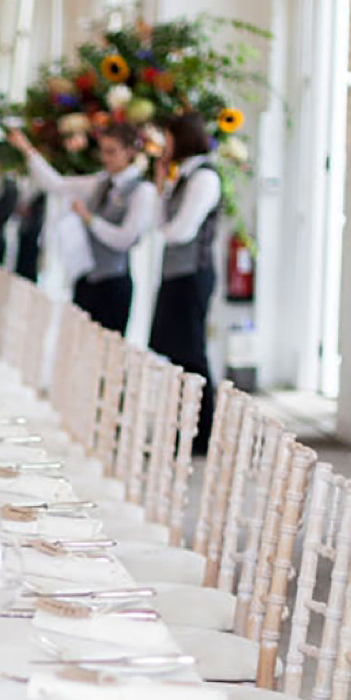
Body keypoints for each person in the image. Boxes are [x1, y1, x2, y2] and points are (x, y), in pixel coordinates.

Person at [6, 122, 154, 335]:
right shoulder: (99, 182)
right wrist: (26, 150)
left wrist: (89, 220)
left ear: (130, 151)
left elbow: (126, 239)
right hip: (86, 278)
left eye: (111, 152)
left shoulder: (142, 191)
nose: (105, 159)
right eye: (102, 151)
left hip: (114, 282)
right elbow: (56, 184)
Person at [148, 112, 223, 454]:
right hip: (175, 274)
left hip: (193, 275)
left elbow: (180, 231)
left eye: (168, 138)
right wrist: (160, 182)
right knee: (175, 353)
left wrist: (163, 229)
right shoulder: (183, 177)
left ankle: (204, 432)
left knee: (192, 353)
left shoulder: (205, 178)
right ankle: (184, 428)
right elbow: (161, 221)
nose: (164, 146)